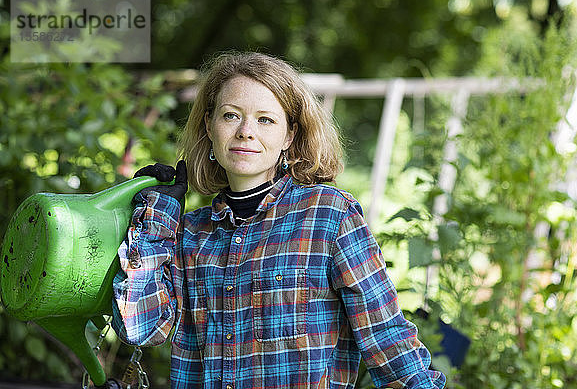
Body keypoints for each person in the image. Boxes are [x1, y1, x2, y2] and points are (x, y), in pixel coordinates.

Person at [111, 51, 446, 389]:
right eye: (231, 116)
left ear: (289, 135)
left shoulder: (329, 216)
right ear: (209, 126)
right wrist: (156, 221)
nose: (245, 132)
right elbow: (141, 327)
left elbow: (387, 340)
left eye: (265, 120)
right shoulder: (190, 234)